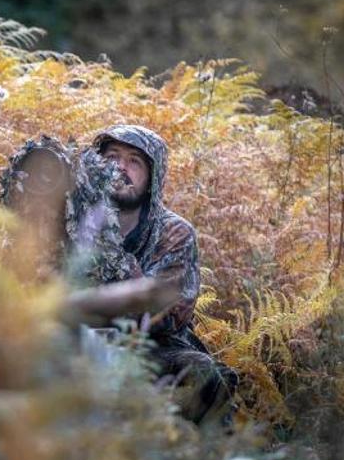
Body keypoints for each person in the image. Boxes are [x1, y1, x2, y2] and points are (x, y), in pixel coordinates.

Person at [87, 124, 238, 427]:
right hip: (78, 337)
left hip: (153, 347)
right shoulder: (73, 218)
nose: (120, 167)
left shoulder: (174, 232)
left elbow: (170, 316)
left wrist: (118, 269)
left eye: (134, 161)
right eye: (112, 156)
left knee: (203, 374)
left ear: (152, 175)